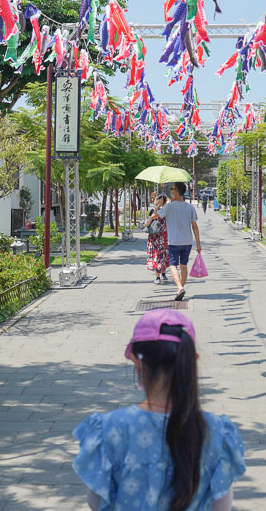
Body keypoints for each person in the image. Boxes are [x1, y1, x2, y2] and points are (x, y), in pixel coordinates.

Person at [73, 309, 246, 511]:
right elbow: (221, 505)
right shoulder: (216, 431)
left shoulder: (109, 429)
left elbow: (96, 502)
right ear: (192, 361)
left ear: (137, 363)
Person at [148, 182, 201, 301]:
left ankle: (180, 287)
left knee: (173, 265)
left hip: (174, 242)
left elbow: (155, 216)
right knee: (183, 266)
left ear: (177, 192)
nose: (171, 190)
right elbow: (195, 227)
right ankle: (179, 289)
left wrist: (159, 206)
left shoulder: (169, 207)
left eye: (173, 189)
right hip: (187, 241)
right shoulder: (190, 207)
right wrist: (198, 243)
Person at [145, 195, 170, 284]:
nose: (157, 202)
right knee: (157, 256)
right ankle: (158, 276)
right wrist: (157, 208)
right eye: (157, 200)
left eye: (159, 200)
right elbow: (147, 223)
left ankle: (162, 274)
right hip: (154, 238)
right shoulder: (153, 211)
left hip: (163, 238)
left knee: (163, 256)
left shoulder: (166, 211)